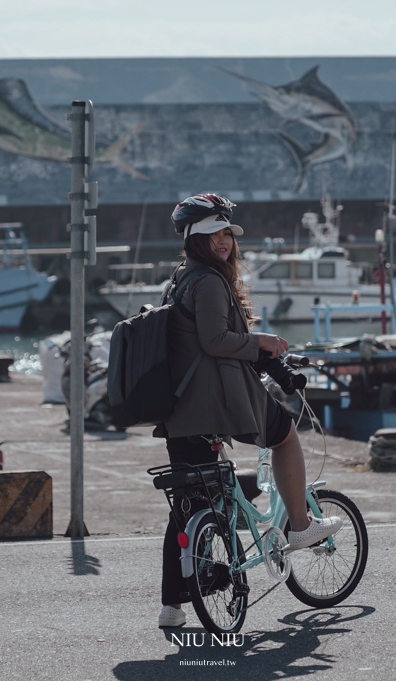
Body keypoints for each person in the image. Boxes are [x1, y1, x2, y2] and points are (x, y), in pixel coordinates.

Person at [156, 194, 342, 628]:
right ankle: (300, 524)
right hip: (219, 403)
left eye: (226, 233)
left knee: (186, 507)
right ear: (193, 239)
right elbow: (216, 341)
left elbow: (206, 343)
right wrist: (263, 340)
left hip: (180, 411)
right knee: (284, 436)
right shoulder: (207, 282)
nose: (222, 241)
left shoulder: (179, 280)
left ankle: (172, 608)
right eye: (212, 234)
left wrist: (269, 356)